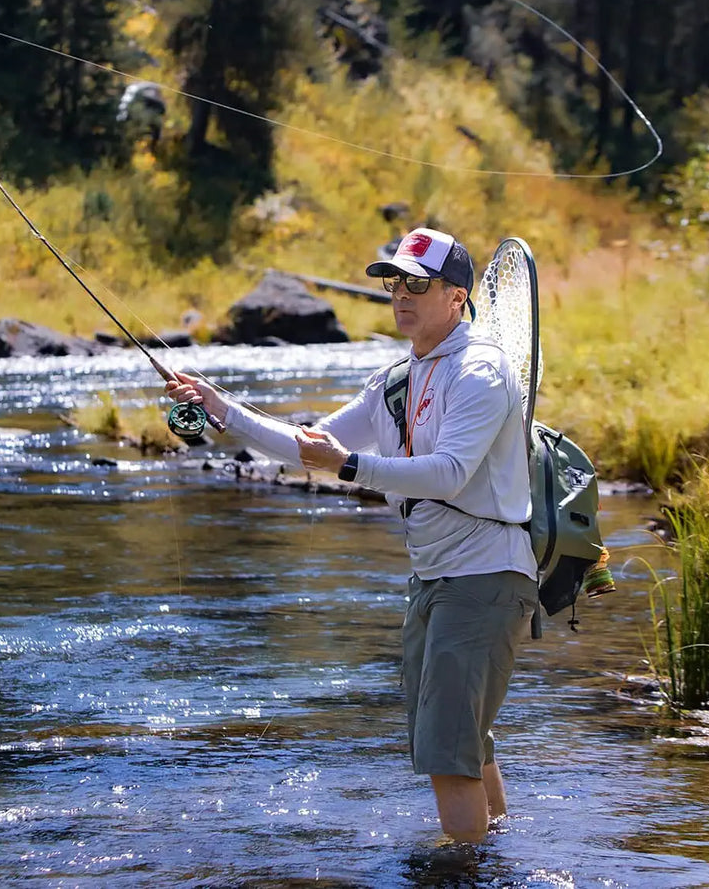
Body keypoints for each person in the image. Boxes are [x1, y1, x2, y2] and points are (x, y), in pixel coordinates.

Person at [165, 228, 537, 844]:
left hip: (487, 576)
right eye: (394, 283)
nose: (401, 295)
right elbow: (308, 446)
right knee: (458, 734)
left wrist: (349, 466)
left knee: (448, 748)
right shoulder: (396, 378)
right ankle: (496, 850)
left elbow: (448, 474)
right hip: (436, 578)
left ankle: (462, 876)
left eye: (418, 284)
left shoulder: (482, 370)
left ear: (457, 297)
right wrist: (219, 407)